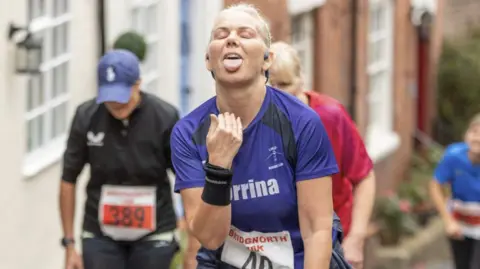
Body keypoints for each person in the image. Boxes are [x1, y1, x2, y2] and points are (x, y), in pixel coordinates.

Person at [171, 3, 350, 269]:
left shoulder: (301, 121)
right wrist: (218, 166)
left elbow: (317, 231)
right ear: (208, 59)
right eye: (221, 35)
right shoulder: (188, 133)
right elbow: (209, 237)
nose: (231, 39)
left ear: (267, 59)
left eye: (245, 34)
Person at [59, 49, 180, 269]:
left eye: (122, 96)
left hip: (155, 231)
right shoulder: (86, 116)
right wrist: (69, 244)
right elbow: (68, 179)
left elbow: (187, 179)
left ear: (138, 84)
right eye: (109, 96)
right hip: (100, 232)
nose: (116, 104)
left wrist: (194, 240)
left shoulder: (165, 117)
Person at [268, 42, 376, 269]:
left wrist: (355, 239)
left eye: (284, 84)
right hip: (278, 242)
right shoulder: (255, 121)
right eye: (270, 84)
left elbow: (364, 177)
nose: (276, 92)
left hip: (333, 237)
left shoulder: (330, 115)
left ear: (300, 81)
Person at [429, 113, 480, 269]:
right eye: (473, 132)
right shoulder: (454, 155)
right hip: (460, 221)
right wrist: (448, 220)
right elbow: (435, 185)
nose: (477, 138)